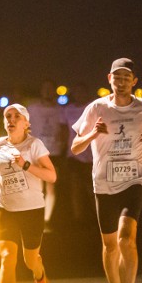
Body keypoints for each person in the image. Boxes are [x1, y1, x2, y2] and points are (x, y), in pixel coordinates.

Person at [71, 58, 142, 283]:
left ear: (134, 81)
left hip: (136, 178)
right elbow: (76, 147)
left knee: (128, 240)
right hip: (104, 183)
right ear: (109, 78)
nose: (122, 81)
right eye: (117, 76)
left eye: (127, 77)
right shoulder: (96, 108)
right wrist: (91, 134)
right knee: (111, 246)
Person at [0, 104, 57, 283]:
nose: (11, 120)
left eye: (17, 116)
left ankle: (40, 273)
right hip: (5, 208)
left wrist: (25, 165)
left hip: (32, 209)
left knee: (30, 260)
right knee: (7, 257)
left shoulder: (35, 145)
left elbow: (51, 176)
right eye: (8, 116)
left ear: (26, 123)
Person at [26, 80, 69, 230]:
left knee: (51, 187)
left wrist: (63, 147)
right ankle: (35, 216)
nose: (47, 91)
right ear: (41, 90)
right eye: (45, 89)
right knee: (36, 186)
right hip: (35, 152)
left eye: (50, 89)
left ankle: (46, 220)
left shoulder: (60, 110)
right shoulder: (32, 108)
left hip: (54, 153)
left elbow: (64, 130)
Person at [63, 83, 96, 223]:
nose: (79, 95)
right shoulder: (67, 110)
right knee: (75, 187)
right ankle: (78, 218)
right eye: (76, 92)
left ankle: (97, 216)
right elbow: (64, 131)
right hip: (74, 154)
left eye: (82, 91)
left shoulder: (93, 108)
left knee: (92, 187)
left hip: (91, 155)